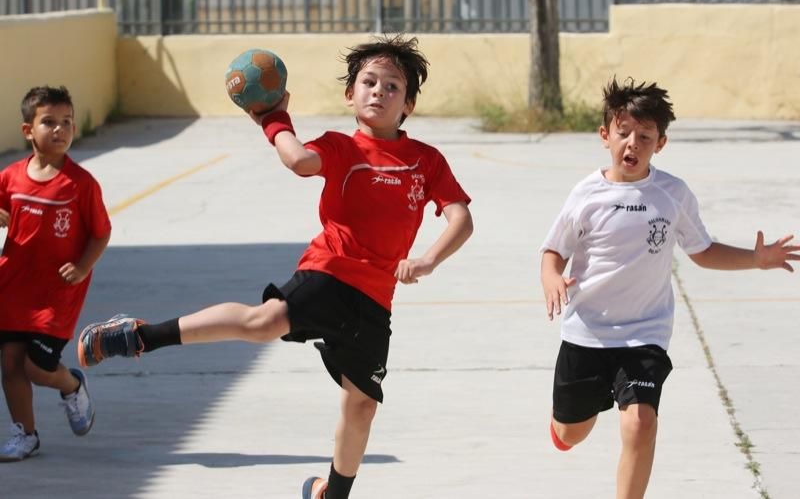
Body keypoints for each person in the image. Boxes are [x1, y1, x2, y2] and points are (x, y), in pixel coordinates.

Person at [78, 35, 473, 498]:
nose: (379, 92)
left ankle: (332, 492)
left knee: (361, 405)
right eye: (368, 82)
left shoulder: (426, 160)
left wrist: (428, 259)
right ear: (351, 94)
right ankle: (138, 335)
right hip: (332, 270)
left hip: (376, 298)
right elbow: (301, 161)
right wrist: (273, 119)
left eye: (392, 86)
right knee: (264, 322)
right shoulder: (344, 148)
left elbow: (460, 218)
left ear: (408, 104)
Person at [540, 77, 799, 499]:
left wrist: (755, 259)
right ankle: (562, 426)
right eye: (623, 132)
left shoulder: (672, 193)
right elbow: (554, 250)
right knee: (572, 432)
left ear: (660, 143)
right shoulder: (586, 194)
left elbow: (702, 250)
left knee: (640, 422)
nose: (632, 144)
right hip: (587, 332)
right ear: (605, 135)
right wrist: (551, 277)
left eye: (645, 136)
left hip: (645, 332)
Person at [0, 86, 112, 461]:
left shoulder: (81, 184)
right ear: (28, 130)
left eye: (67, 122)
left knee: (37, 366)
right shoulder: (11, 178)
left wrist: (82, 267)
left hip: (58, 292)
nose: (60, 129)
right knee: (11, 362)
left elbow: (101, 232)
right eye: (49, 121)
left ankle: (70, 384)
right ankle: (25, 435)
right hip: (13, 286)